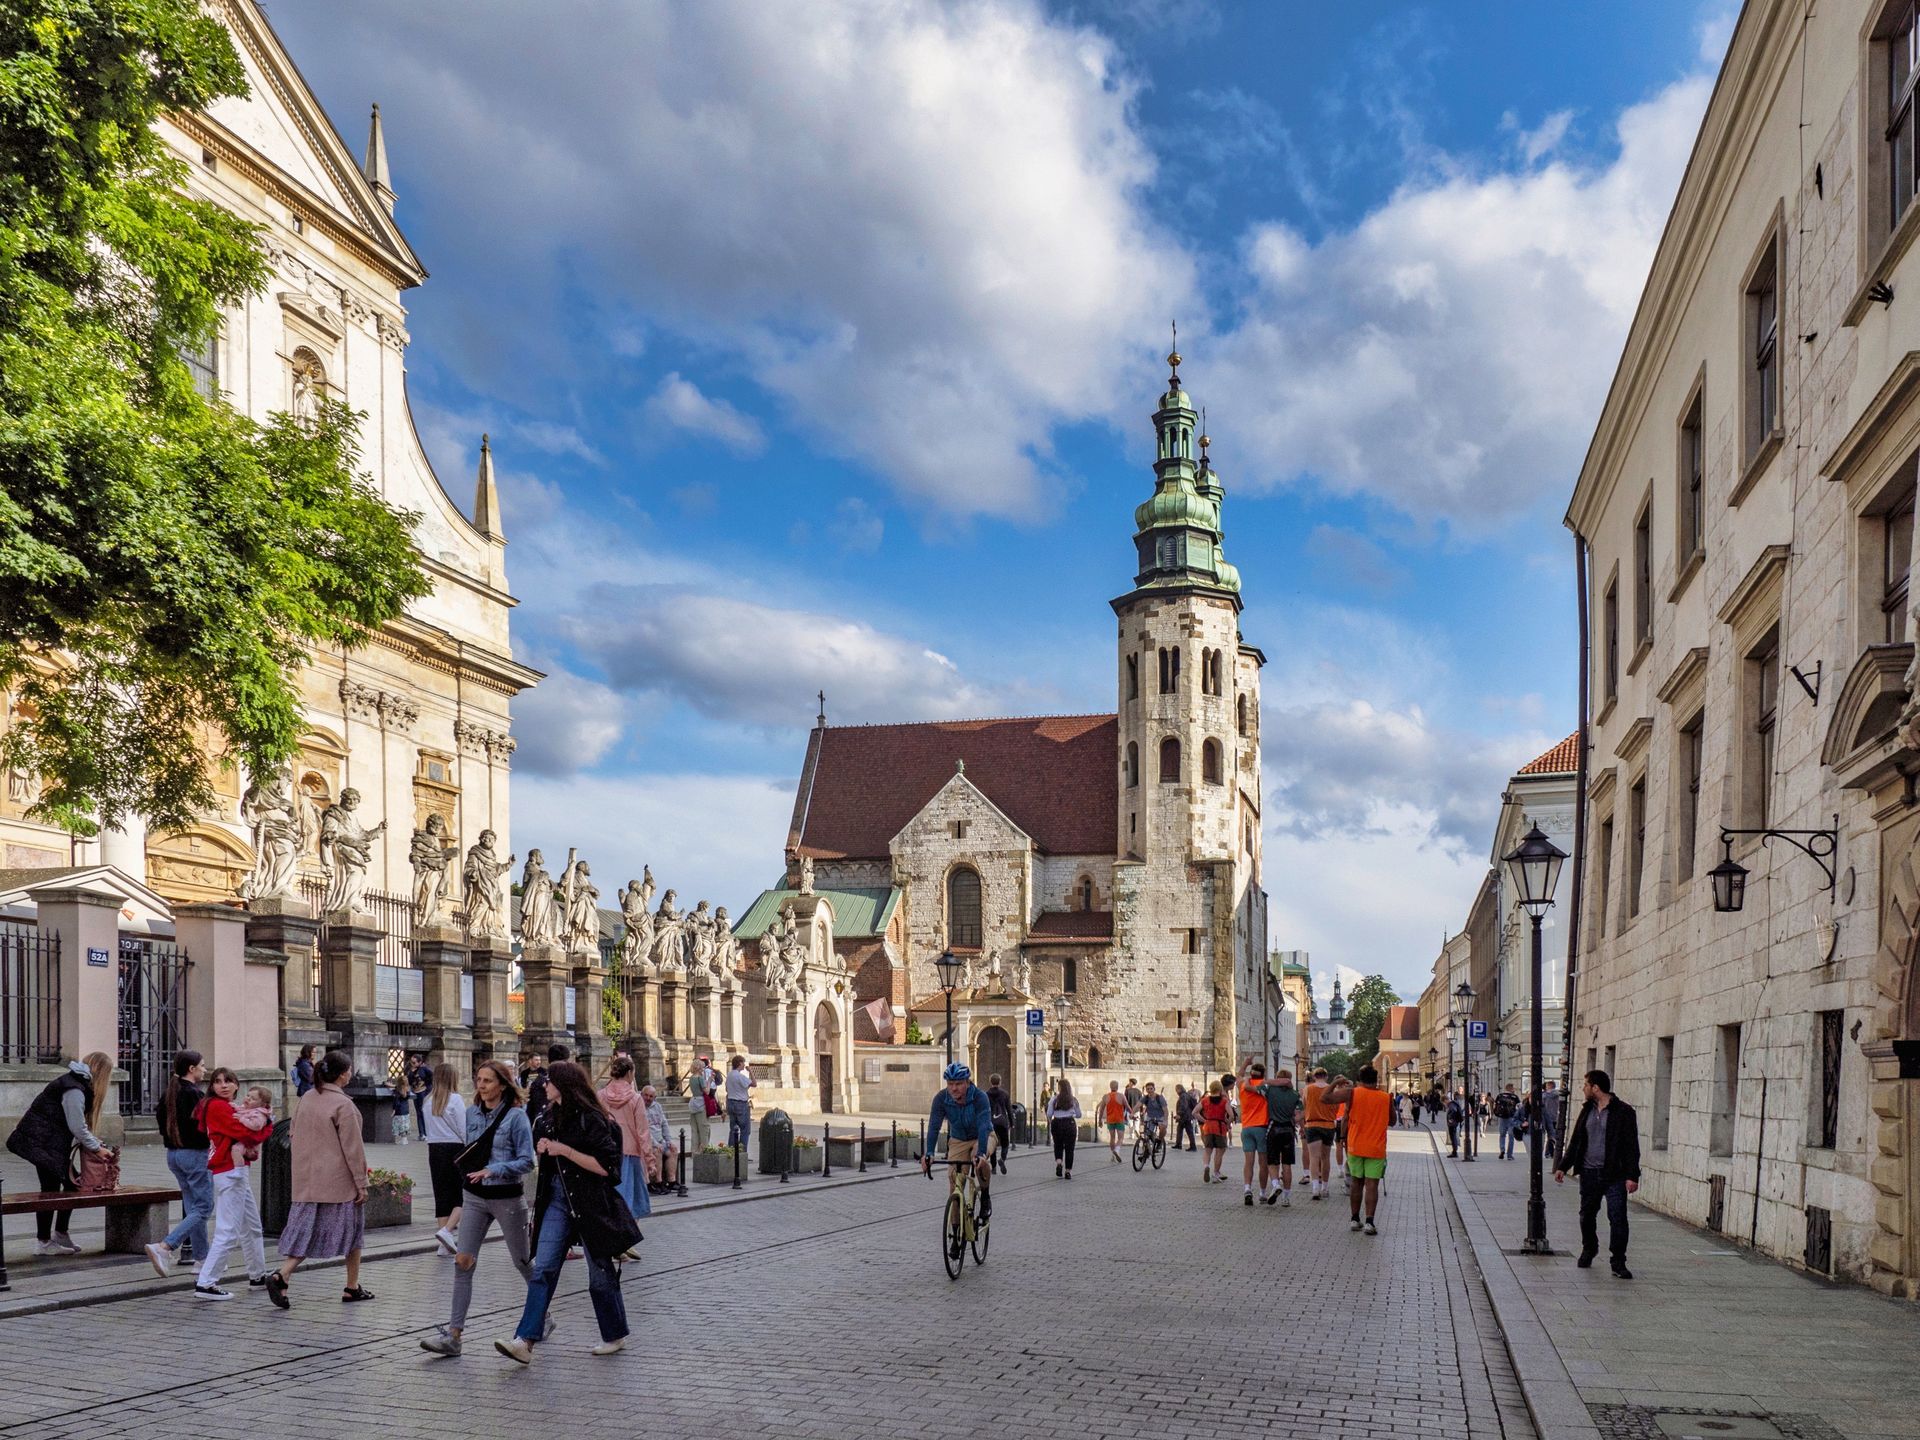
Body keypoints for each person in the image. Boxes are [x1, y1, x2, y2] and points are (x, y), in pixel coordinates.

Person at [496, 1061, 634, 1364]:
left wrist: (564, 1150)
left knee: (599, 1273)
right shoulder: (546, 1118)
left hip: (590, 1203)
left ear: (565, 1085)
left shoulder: (592, 1118)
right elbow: (546, 1160)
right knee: (543, 1268)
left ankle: (614, 1334)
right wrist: (544, 1150)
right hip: (557, 1201)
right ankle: (525, 1340)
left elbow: (607, 1169)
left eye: (549, 1081)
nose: (544, 1085)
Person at [421, 1060, 536, 1358]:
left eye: (488, 1081)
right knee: (463, 1261)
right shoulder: (471, 1113)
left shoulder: (516, 1117)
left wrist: (494, 1169)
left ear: (503, 1084)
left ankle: (541, 1314)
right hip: (473, 1196)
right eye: (479, 1080)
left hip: (506, 1196)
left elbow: (527, 1161)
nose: (481, 1086)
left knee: (522, 1261)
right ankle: (453, 1336)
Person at [266, 1049, 370, 1309]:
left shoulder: (307, 1099)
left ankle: (284, 1276)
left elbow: (292, 1134)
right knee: (353, 1233)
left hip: (306, 1181)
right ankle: (351, 1286)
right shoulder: (344, 1105)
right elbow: (353, 1149)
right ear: (343, 1075)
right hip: (338, 1183)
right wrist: (361, 1183)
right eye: (349, 1070)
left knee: (304, 1233)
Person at [5, 1051, 114, 1256]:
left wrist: (95, 1143)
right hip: (41, 1144)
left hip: (45, 1144)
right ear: (100, 1071)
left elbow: (74, 1124)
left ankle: (57, 1236)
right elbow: (77, 1126)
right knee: (58, 1188)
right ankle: (45, 1241)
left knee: (61, 1187)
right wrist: (97, 1148)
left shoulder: (75, 1083)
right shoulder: (74, 1089)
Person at [189, 1067, 272, 1299]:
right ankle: (206, 1282)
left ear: (236, 1084)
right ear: (212, 1086)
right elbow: (246, 1133)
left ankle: (257, 1276)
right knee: (228, 1230)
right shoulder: (217, 1106)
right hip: (229, 1170)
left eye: (228, 1081)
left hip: (235, 1170)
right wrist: (269, 1126)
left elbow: (247, 1132)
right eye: (217, 1081)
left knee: (252, 1226)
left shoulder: (227, 1106)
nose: (223, 1085)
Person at [1555, 1069, 1640, 1280]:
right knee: (1586, 1215)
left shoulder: (1623, 1112)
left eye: (1586, 1085)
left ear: (1596, 1088)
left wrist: (1632, 1176)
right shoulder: (1587, 1111)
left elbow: (1631, 1146)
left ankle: (1618, 1261)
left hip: (1614, 1175)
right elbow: (1576, 1141)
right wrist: (1562, 1167)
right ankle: (1589, 1248)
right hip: (1589, 1173)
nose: (1583, 1089)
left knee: (1618, 1218)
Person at [146, 1050, 212, 1276]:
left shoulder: (170, 1092)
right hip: (195, 1154)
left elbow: (160, 1121)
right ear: (191, 1069)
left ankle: (202, 1259)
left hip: (174, 1154)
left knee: (194, 1209)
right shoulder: (194, 1094)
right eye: (202, 1066)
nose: (205, 1070)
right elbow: (205, 1126)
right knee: (203, 1208)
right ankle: (165, 1247)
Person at [1321, 1065, 1390, 1235]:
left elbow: (1325, 1098)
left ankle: (1354, 1219)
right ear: (1376, 1080)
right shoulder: (1386, 1097)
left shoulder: (1352, 1093)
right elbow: (1393, 1121)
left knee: (1356, 1182)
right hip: (1376, 1147)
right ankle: (1369, 1222)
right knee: (1372, 1185)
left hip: (1355, 1146)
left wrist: (1335, 1082)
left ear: (1359, 1080)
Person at [922, 1061, 995, 1220]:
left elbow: (983, 1126)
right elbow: (934, 1126)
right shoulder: (941, 1098)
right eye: (950, 1084)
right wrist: (929, 1153)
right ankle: (955, 1230)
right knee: (955, 1184)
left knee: (979, 1159)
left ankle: (985, 1196)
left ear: (967, 1083)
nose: (953, 1088)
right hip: (958, 1140)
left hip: (983, 1136)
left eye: (958, 1084)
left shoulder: (980, 1097)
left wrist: (981, 1153)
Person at [599, 1056, 654, 1224]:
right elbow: (643, 1132)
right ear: (630, 1073)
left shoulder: (600, 1095)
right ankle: (628, 1234)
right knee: (630, 1200)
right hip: (630, 1153)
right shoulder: (635, 1099)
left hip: (606, 1152)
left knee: (609, 1197)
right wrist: (650, 1160)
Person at [424, 1062, 469, 1255]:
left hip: (434, 1149)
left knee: (441, 1193)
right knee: (462, 1194)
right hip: (455, 1148)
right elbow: (463, 1128)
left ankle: (443, 1243)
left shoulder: (427, 1101)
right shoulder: (456, 1099)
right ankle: (447, 1231)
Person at [1257, 1066, 1303, 1206]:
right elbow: (1301, 1113)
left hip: (1274, 1127)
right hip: (1288, 1129)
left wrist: (1270, 1081)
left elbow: (1260, 1086)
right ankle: (1286, 1198)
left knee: (1272, 1162)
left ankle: (1276, 1184)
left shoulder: (1270, 1090)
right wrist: (1293, 1120)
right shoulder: (1295, 1094)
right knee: (1287, 1164)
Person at [1233, 1057, 1274, 1206]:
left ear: (1251, 1073)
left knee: (1248, 1162)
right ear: (1263, 1074)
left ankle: (1247, 1189)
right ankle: (1262, 1193)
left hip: (1247, 1128)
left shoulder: (1244, 1085)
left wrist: (1245, 1062)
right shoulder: (1265, 1086)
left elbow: (1238, 1076)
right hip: (1262, 1127)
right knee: (1263, 1163)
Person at [1301, 1067, 1338, 1200]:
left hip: (1312, 1124)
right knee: (1325, 1157)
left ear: (1314, 1077)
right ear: (1326, 1076)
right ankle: (1325, 1188)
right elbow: (1336, 1107)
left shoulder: (1308, 1089)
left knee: (1314, 1157)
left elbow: (1304, 1105)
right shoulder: (1332, 1089)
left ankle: (1315, 1188)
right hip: (1328, 1125)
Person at [1045, 1077, 1080, 1178]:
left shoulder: (1054, 1099)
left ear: (1059, 1088)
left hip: (1057, 1123)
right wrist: (1071, 1113)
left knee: (1058, 1145)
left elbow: (1049, 1113)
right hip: (1070, 1123)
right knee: (1070, 1148)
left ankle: (1059, 1163)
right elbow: (1079, 1115)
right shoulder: (1073, 1100)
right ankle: (1068, 1171)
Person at [1198, 1079, 1231, 1182]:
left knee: (1208, 1150)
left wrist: (1204, 1120)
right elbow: (1231, 1115)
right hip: (1219, 1127)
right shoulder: (1224, 1101)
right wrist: (1227, 1122)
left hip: (1208, 1126)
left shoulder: (1205, 1100)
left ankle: (1206, 1166)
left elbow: (1194, 1112)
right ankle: (1216, 1173)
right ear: (1220, 1089)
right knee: (1220, 1151)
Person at [643, 1083, 672, 1189]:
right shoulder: (639, 1107)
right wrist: (655, 1143)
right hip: (648, 1143)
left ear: (654, 1098)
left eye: (651, 1096)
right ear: (641, 1095)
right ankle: (659, 1182)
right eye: (646, 1095)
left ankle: (672, 1181)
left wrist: (668, 1141)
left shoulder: (658, 1106)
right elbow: (644, 1130)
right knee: (657, 1151)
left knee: (673, 1150)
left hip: (660, 1140)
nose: (648, 1098)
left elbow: (664, 1124)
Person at [724, 1053, 755, 1149]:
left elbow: (727, 1089)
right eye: (743, 1063)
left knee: (733, 1128)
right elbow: (754, 1083)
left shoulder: (729, 1075)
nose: (744, 1065)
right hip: (741, 1104)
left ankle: (731, 1150)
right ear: (740, 1063)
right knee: (745, 1129)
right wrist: (750, 1072)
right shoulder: (739, 1076)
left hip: (731, 1102)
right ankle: (742, 1151)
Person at [686, 1054, 716, 1152]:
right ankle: (704, 1150)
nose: (703, 1069)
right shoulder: (700, 1078)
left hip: (693, 1102)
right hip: (700, 1104)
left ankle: (694, 1151)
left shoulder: (691, 1078)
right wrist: (709, 1081)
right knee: (704, 1128)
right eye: (702, 1067)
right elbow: (706, 1091)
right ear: (698, 1068)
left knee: (694, 1130)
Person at [985, 1073, 1013, 1175]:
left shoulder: (986, 1094)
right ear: (1000, 1082)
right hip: (1002, 1121)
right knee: (1005, 1143)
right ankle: (1002, 1159)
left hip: (991, 1122)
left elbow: (984, 1110)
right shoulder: (1005, 1094)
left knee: (993, 1144)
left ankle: (993, 1167)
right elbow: (1009, 1109)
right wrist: (1011, 1122)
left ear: (990, 1082)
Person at [1099, 1080, 1127, 1162]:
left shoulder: (1105, 1097)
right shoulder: (1121, 1096)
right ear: (1117, 1087)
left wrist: (1099, 1120)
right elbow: (1127, 1106)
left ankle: (1113, 1155)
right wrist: (1132, 1114)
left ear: (1110, 1087)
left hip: (1110, 1120)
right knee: (1120, 1138)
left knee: (1112, 1137)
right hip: (1119, 1119)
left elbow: (1101, 1109)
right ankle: (1117, 1150)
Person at [1492, 1083, 1520, 1160]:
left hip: (1502, 1118)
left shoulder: (1500, 1096)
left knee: (1502, 1135)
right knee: (1511, 1136)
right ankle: (1509, 1155)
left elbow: (1495, 1106)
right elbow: (1518, 1108)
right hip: (1511, 1118)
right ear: (1512, 1089)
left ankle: (1502, 1150)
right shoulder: (1515, 1097)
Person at [409, 1053, 434, 1137]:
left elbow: (432, 1077)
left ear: (419, 1062)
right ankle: (421, 1133)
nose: (412, 1064)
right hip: (415, 1092)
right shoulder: (411, 1069)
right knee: (418, 1112)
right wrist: (412, 1073)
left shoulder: (424, 1069)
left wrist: (427, 1088)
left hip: (422, 1092)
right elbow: (409, 1081)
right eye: (411, 1062)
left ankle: (425, 1132)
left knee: (422, 1111)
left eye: (414, 1062)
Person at [1140, 1082, 1168, 1150]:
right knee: (1147, 1132)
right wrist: (1132, 1113)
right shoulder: (1145, 1098)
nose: (1149, 1090)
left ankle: (1160, 1141)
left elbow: (1165, 1110)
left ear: (1154, 1089)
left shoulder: (1159, 1098)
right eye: (1148, 1089)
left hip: (1160, 1116)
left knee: (1163, 1128)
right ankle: (1147, 1148)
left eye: (1151, 1088)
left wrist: (1165, 1120)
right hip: (1150, 1116)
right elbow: (1138, 1105)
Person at [1541, 1079, 1564, 1158]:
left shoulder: (1544, 1095)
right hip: (1554, 1117)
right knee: (1551, 1135)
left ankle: (1548, 1152)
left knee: (1548, 1135)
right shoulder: (1557, 1094)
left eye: (1547, 1086)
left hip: (1546, 1117)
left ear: (1549, 1086)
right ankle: (1549, 1152)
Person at [1173, 1084, 1198, 1151]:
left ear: (1180, 1089)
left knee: (1189, 1131)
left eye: (1176, 1089)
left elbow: (1183, 1106)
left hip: (1185, 1117)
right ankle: (1179, 1144)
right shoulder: (1186, 1095)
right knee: (1180, 1130)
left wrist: (1179, 1114)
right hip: (1186, 1116)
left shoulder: (1183, 1096)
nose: (1176, 1091)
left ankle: (1192, 1146)